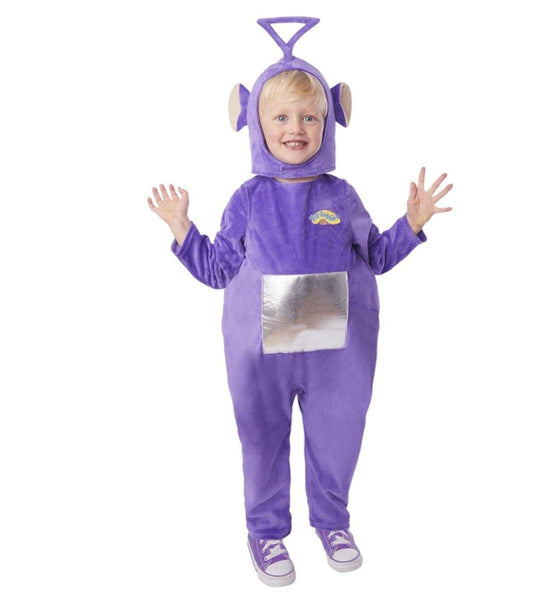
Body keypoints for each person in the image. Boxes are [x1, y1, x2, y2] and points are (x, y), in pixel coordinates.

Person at [147, 17, 452, 587]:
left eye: (309, 117)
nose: (296, 128)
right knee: (262, 439)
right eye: (281, 117)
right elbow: (218, 270)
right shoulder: (247, 199)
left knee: (338, 435)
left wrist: (411, 224)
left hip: (337, 351)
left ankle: (332, 521)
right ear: (254, 123)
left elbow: (376, 256)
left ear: (329, 122)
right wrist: (182, 229)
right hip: (261, 350)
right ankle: (265, 532)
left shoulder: (341, 194)